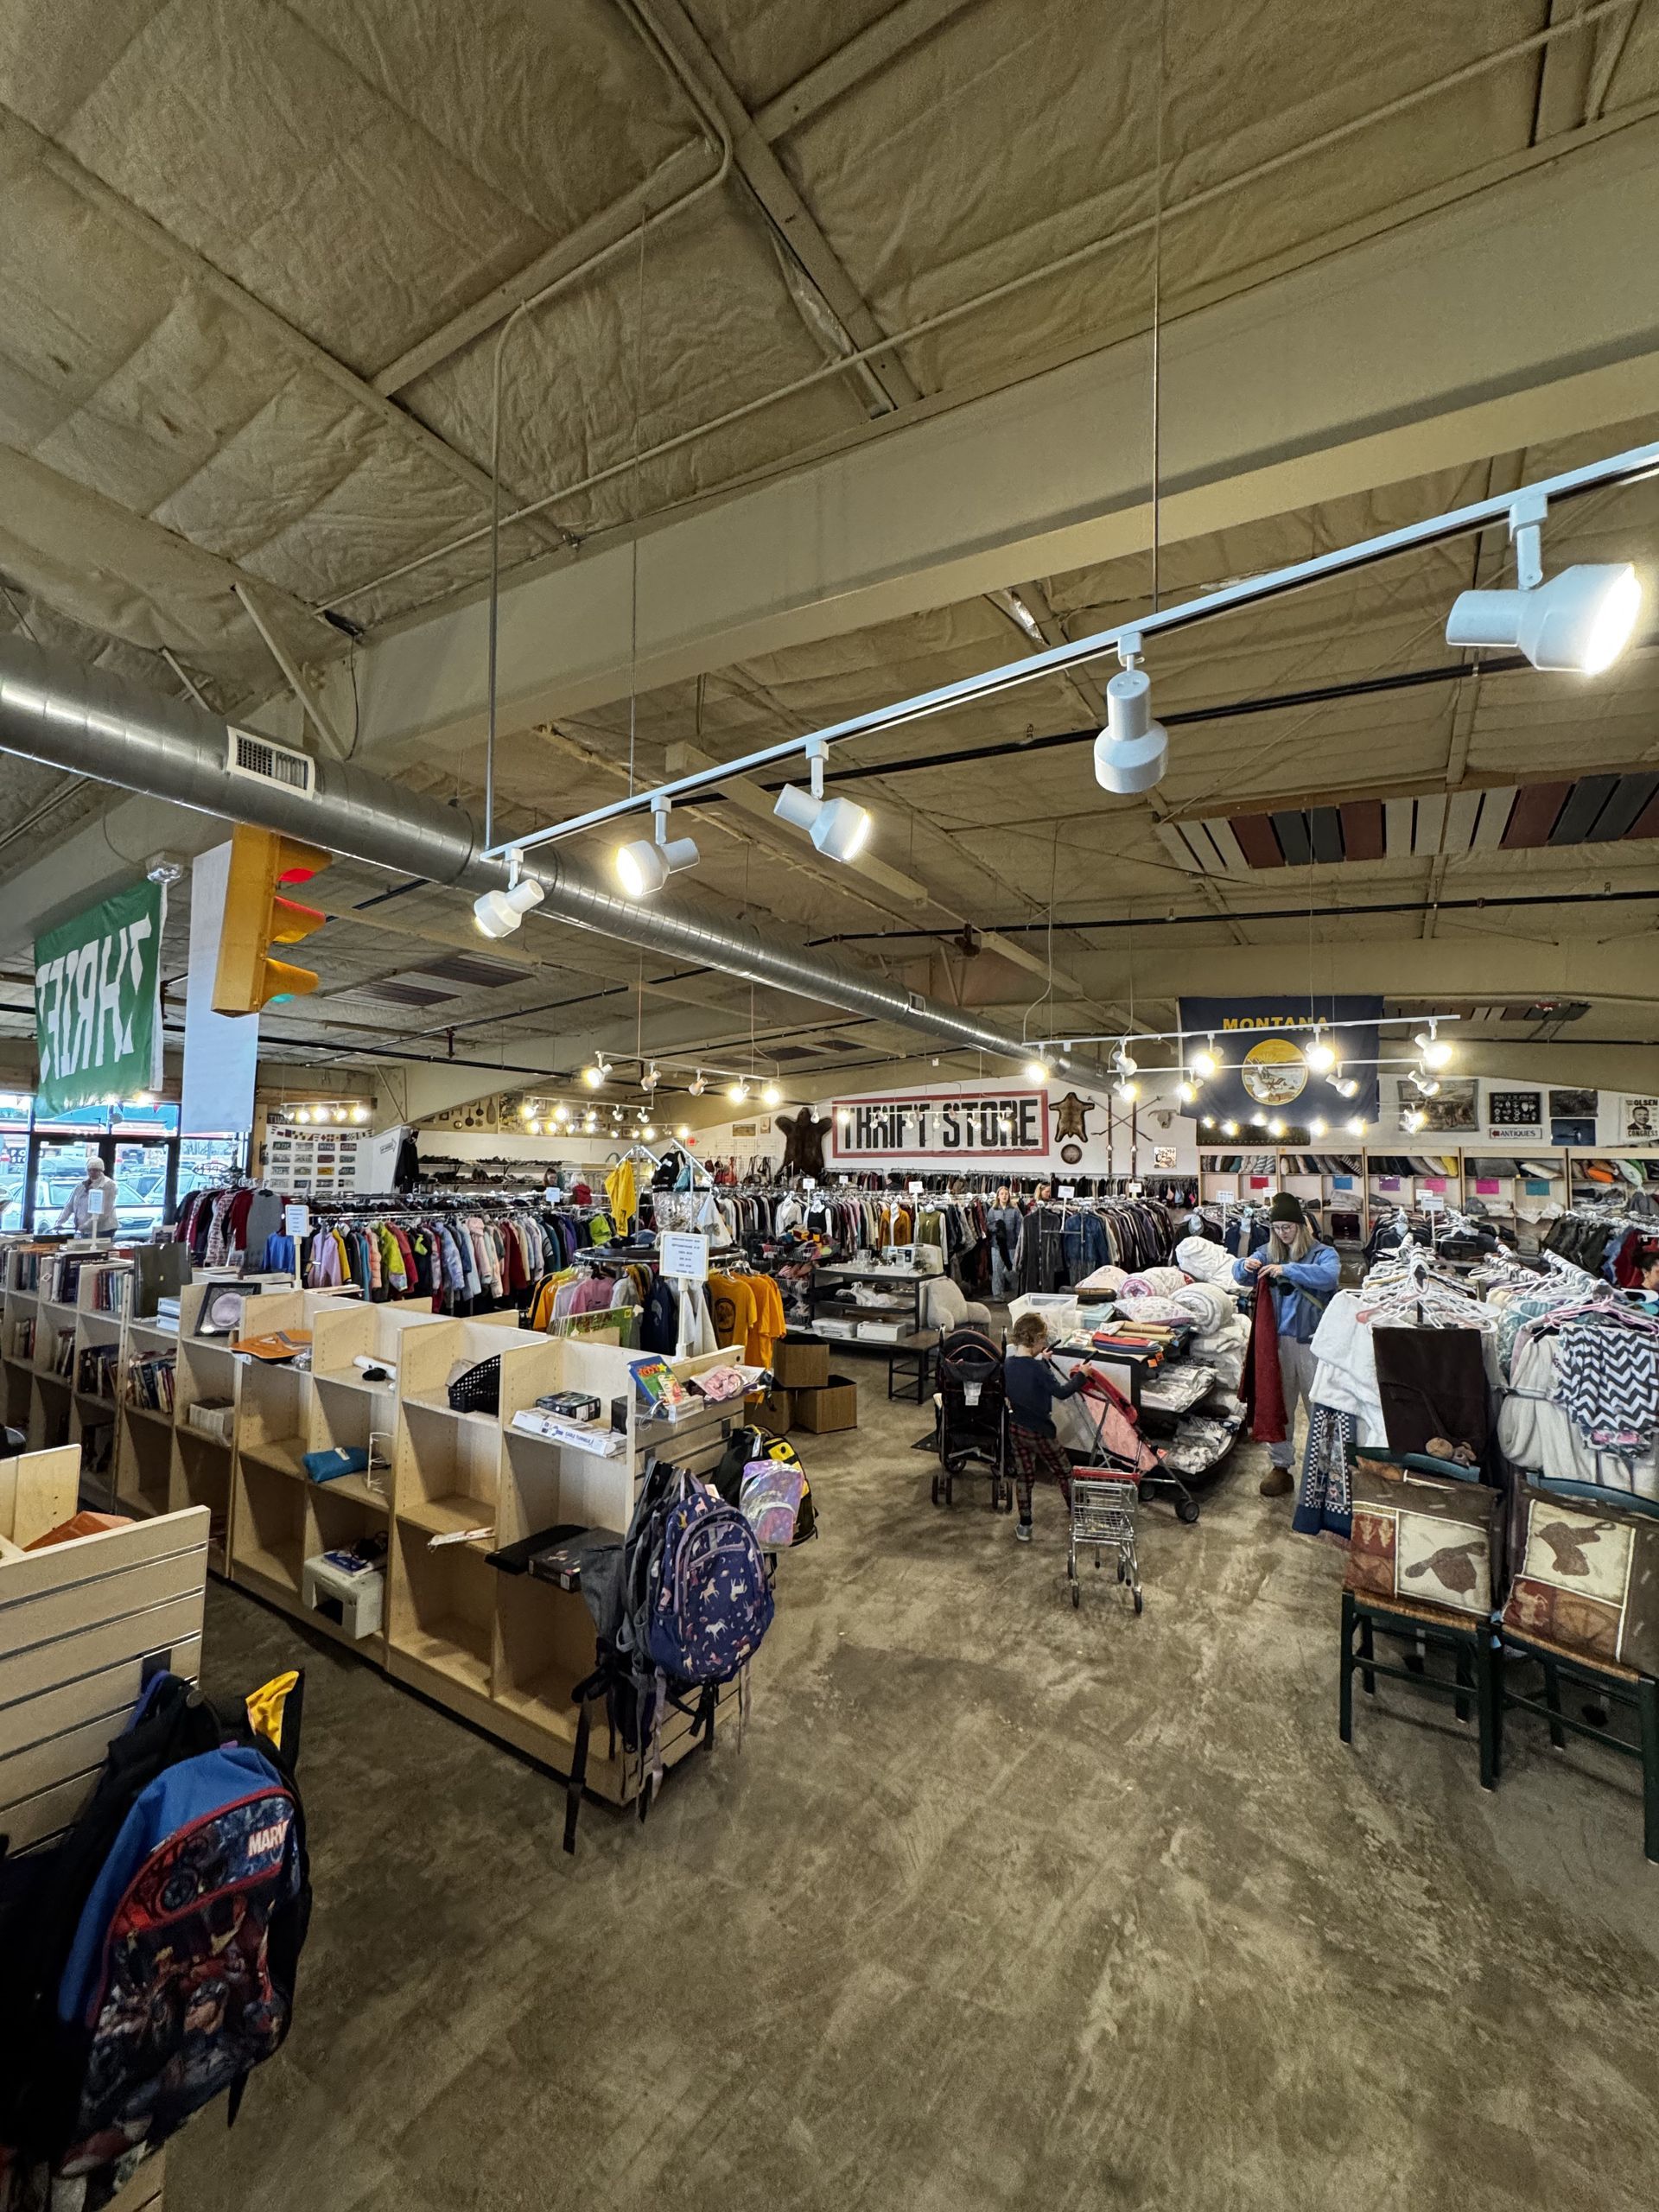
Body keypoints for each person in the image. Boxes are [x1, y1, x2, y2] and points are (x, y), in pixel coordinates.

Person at [1235, 1192, 1339, 1499]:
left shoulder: (1322, 1253)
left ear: (1301, 1225)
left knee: (1320, 1406)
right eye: (1277, 1227)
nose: (1283, 1233)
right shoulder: (1269, 1253)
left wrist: (1288, 1270)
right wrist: (1246, 1264)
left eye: (1288, 1227)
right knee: (1278, 1406)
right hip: (1277, 1344)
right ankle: (1281, 1466)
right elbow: (1240, 1275)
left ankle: (1328, 1467)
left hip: (1313, 1344)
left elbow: (1329, 1277)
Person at [1004, 1310, 1087, 1541]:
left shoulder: (1009, 1363)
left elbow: (1027, 1376)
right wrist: (1082, 1375)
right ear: (1036, 1339)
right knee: (1064, 1472)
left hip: (1016, 1428)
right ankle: (1078, 1515)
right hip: (1041, 1432)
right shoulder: (1038, 1369)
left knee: (1025, 1476)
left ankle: (1025, 1526)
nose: (1045, 1344)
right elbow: (1061, 1392)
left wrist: (1043, 1361)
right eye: (1043, 1340)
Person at [54, 1155, 119, 1240]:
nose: (92, 1172)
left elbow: (103, 1212)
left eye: (95, 1170)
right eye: (90, 1170)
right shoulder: (81, 1185)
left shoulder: (109, 1185)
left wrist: (85, 1226)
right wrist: (59, 1223)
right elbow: (69, 1206)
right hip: (84, 1229)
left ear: (101, 1171)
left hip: (103, 1229)